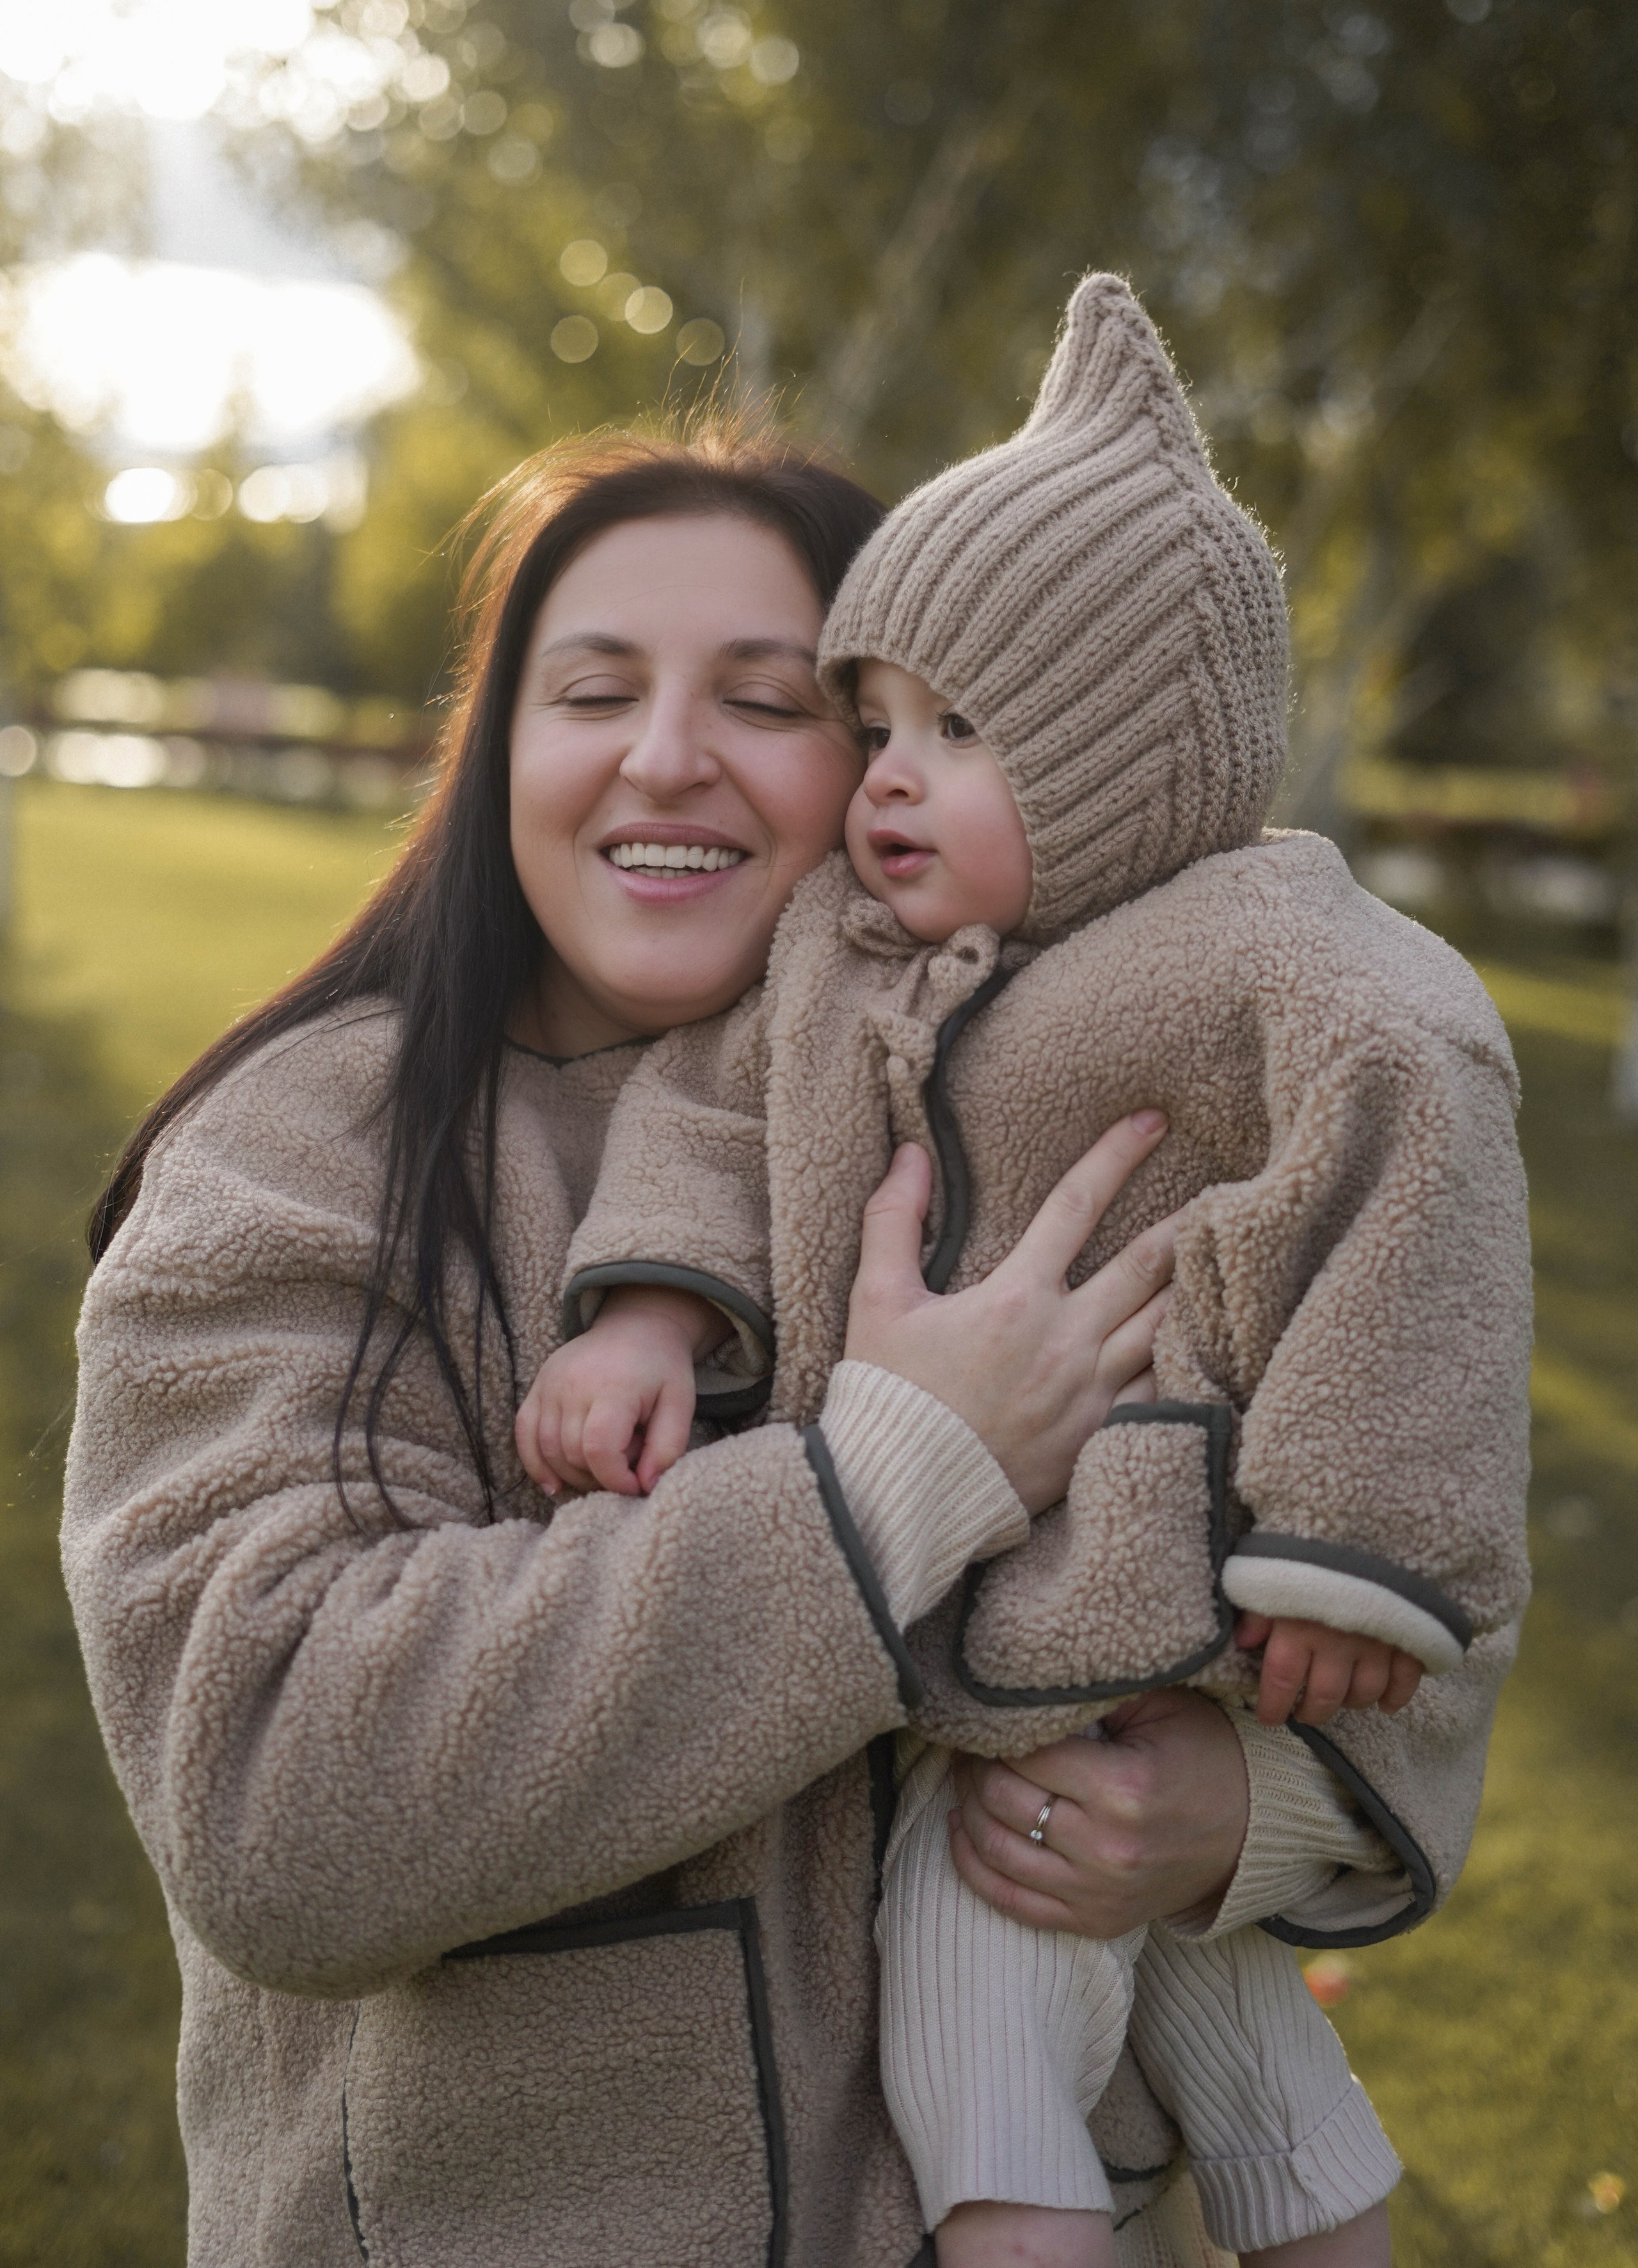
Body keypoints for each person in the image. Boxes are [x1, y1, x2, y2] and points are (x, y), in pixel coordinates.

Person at [61, 420, 1490, 2268]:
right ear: (499, 746)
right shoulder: (295, 1158)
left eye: (767, 698)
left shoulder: (1096, 1093)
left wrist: (1240, 1811)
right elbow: (272, 1801)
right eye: (593, 692)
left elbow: (1402, 1551)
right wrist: (894, 1476)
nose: (668, 757)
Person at [518, 287, 1532, 2268]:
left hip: (1176, 1607)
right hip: (982, 1639)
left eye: (964, 731)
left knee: (983, 2019)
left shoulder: (1283, 962)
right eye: (874, 719)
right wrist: (652, 1312)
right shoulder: (831, 958)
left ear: (1129, 760)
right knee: (1236, 2063)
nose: (889, 778)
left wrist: (1351, 1548)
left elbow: (1414, 1200)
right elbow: (715, 1129)